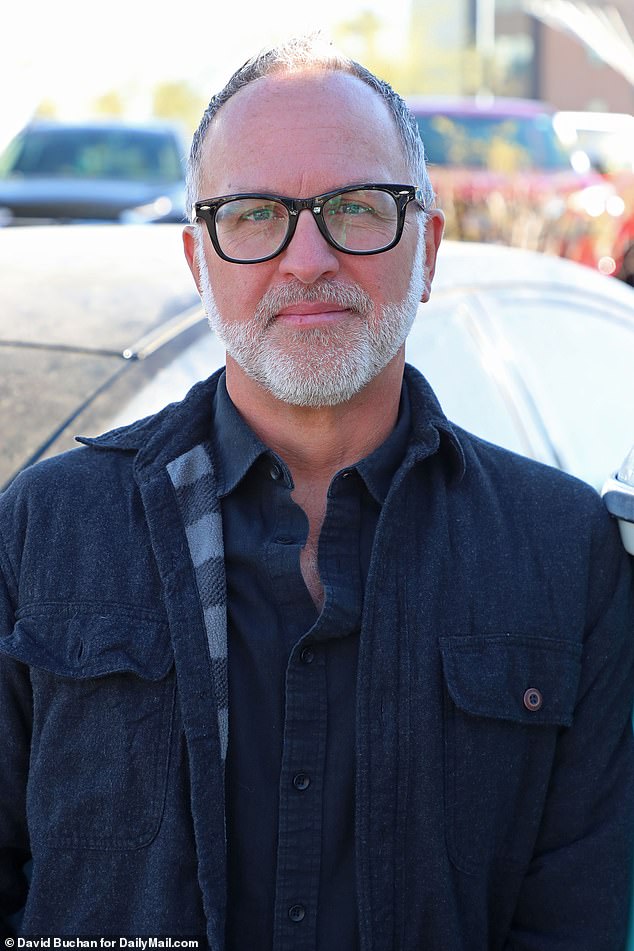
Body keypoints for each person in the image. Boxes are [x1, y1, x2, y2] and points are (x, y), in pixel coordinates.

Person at [1, 36, 633, 951]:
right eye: (255, 213)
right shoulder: (41, 531)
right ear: (197, 259)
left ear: (427, 248)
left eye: (357, 207)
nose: (307, 258)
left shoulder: (564, 554)